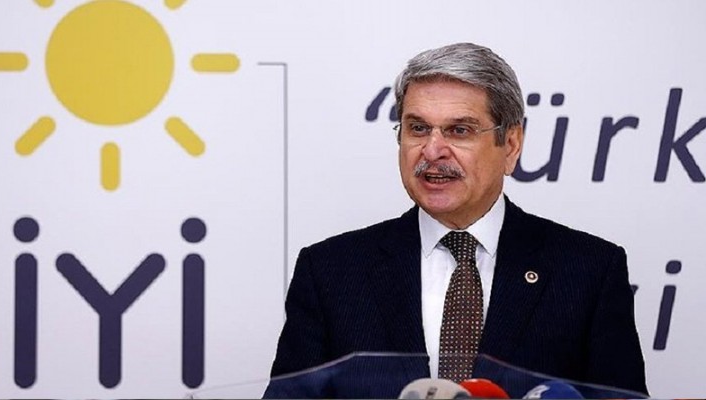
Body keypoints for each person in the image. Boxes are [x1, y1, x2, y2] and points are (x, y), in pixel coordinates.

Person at [268, 42, 648, 396]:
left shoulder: (589, 271)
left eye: (459, 130)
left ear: (510, 145)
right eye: (418, 128)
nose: (432, 150)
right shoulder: (330, 271)